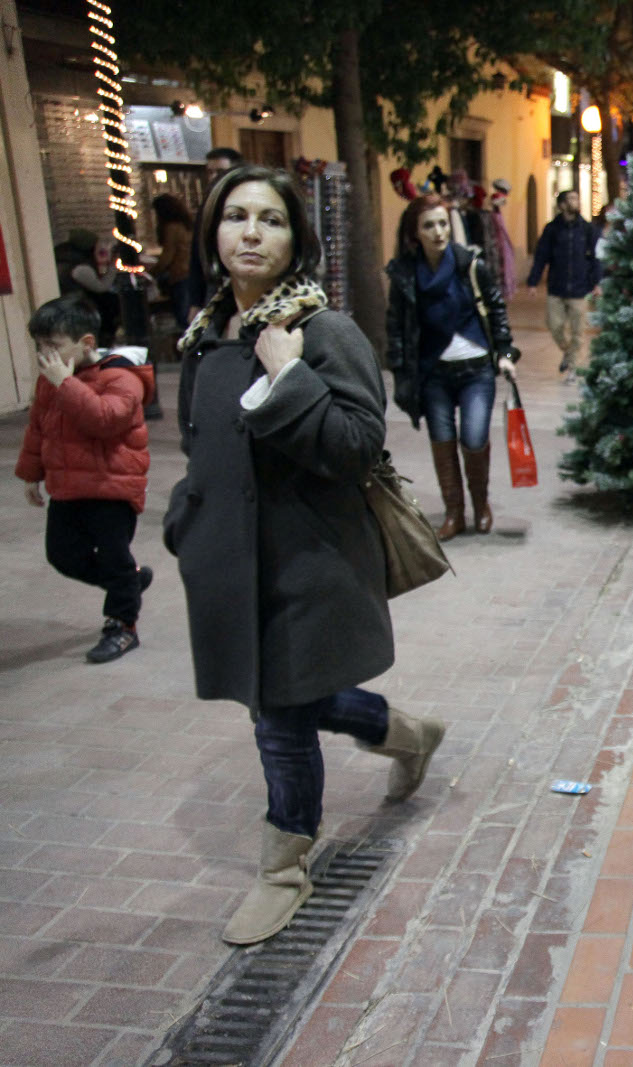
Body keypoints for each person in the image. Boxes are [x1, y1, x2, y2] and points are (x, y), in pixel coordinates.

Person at [166, 165, 446, 946]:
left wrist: (289, 373)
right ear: (213, 233)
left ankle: (283, 866)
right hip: (229, 562)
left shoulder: (323, 332)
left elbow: (358, 445)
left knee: (280, 720)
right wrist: (183, 523)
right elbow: (200, 448)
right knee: (288, 699)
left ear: (297, 239)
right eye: (235, 216)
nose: (250, 232)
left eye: (271, 219)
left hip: (308, 563)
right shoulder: (206, 332)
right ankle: (408, 732)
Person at [14, 296, 156, 663]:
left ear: (87, 343)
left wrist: (65, 383)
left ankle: (122, 626)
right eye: (39, 347)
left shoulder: (122, 377)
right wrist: (32, 474)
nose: (46, 355)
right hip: (67, 487)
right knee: (62, 555)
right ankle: (129, 583)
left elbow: (104, 420)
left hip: (111, 487)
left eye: (54, 346)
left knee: (114, 558)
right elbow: (38, 427)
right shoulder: (53, 380)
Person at [385, 193, 519, 540]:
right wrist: (401, 373)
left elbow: (496, 307)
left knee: (474, 439)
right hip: (433, 374)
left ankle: (481, 504)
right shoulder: (405, 275)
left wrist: (504, 352)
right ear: (415, 232)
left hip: (476, 370)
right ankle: (454, 513)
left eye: (443, 223)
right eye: (428, 225)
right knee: (442, 442)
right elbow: (397, 327)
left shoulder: (469, 265)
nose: (438, 231)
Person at [527, 189, 599, 381]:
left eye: (577, 198)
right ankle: (568, 353)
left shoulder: (587, 229)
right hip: (556, 287)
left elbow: (596, 258)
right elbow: (541, 256)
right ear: (562, 205)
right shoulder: (552, 229)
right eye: (571, 199)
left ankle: (573, 366)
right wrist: (533, 282)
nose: (576, 202)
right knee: (554, 325)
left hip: (580, 287)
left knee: (578, 332)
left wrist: (597, 282)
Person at [184, 147, 244, 322]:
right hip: (217, 285)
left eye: (220, 171)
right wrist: (195, 302)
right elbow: (198, 253)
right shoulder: (208, 206)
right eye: (210, 172)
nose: (214, 177)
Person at [150, 194, 194, 324]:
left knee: (182, 316)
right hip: (191, 272)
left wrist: (152, 273)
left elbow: (167, 256)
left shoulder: (171, 228)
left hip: (179, 275)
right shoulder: (186, 225)